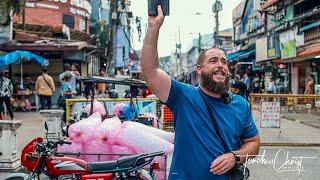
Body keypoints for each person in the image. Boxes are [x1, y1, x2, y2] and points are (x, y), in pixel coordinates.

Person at [141, 6, 260, 179]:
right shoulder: (183, 96)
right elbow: (149, 71)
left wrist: (234, 157)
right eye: (213, 61)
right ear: (199, 69)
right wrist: (153, 28)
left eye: (224, 62)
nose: (221, 65)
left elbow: (253, 143)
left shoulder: (240, 104)